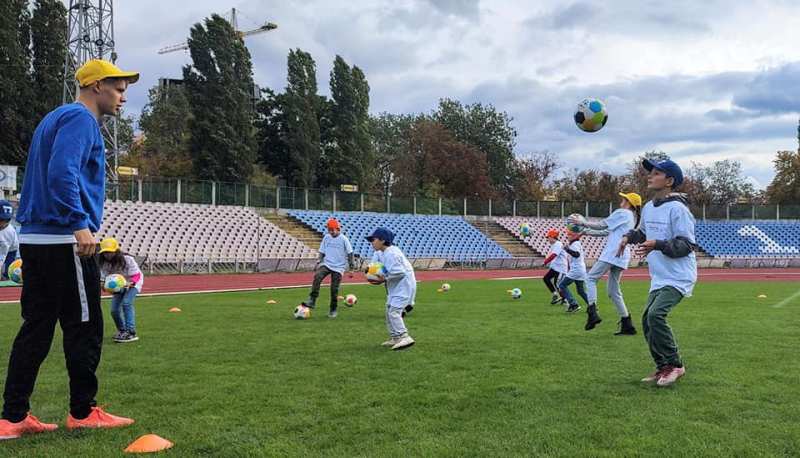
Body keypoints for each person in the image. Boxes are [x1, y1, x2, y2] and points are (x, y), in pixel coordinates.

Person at [0, 59, 138, 440]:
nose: (123, 97)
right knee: (86, 326)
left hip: (37, 239)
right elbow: (62, 172)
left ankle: (12, 418)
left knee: (36, 328)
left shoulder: (54, 118)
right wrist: (79, 225)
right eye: (118, 89)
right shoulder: (81, 121)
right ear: (96, 86)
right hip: (65, 241)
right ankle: (83, 411)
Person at [618, 159, 697, 387]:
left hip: (679, 276)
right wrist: (628, 237)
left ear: (669, 181)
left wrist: (659, 244)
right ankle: (663, 366)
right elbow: (642, 233)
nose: (650, 176)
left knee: (655, 316)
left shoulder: (679, 210)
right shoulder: (650, 207)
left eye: (656, 173)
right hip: (660, 276)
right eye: (650, 173)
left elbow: (685, 246)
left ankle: (676, 365)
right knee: (646, 320)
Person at [569, 192, 642, 334]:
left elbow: (602, 225)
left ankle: (592, 313)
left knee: (591, 278)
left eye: (624, 198)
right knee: (613, 291)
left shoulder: (622, 212)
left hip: (612, 253)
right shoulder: (631, 217)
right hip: (622, 256)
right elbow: (606, 231)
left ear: (628, 202)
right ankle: (627, 324)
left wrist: (581, 223)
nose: (622, 199)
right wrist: (585, 231)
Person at [366, 227, 416, 350]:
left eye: (373, 239)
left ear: (382, 240)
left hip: (403, 287)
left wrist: (384, 278)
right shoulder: (383, 252)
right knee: (389, 311)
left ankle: (405, 337)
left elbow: (400, 273)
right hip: (395, 288)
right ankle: (395, 337)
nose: (371, 242)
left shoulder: (392, 253)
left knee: (394, 312)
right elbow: (375, 267)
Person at [301, 218, 355, 318]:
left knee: (334, 289)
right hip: (327, 264)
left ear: (338, 229)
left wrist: (351, 269)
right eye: (329, 230)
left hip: (339, 268)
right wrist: (319, 260)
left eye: (333, 230)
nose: (331, 232)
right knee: (317, 276)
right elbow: (322, 250)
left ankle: (333, 309)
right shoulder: (326, 237)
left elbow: (350, 253)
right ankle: (312, 300)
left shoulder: (344, 239)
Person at [98, 237, 144, 343]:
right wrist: (104, 286)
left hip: (133, 283)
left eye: (110, 252)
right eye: (105, 252)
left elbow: (136, 275)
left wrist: (129, 283)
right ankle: (122, 330)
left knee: (127, 303)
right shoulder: (104, 264)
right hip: (118, 286)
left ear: (116, 251)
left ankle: (131, 332)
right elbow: (103, 280)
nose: (107, 255)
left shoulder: (128, 259)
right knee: (114, 310)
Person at [557, 229, 589, 313]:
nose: (567, 236)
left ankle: (573, 304)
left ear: (573, 236)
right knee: (581, 291)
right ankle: (592, 306)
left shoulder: (574, 244)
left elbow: (576, 254)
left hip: (576, 269)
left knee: (562, 285)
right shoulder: (575, 243)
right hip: (581, 269)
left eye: (569, 235)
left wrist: (567, 249)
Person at [541, 228, 567, 305]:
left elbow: (554, 255)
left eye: (548, 237)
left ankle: (565, 299)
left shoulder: (558, 244)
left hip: (560, 268)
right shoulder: (554, 245)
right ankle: (555, 294)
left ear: (552, 237)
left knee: (558, 284)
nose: (548, 239)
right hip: (555, 267)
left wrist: (545, 262)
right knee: (546, 279)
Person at [0, 201, 19, 281]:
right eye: (1, 219)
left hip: (10, 249)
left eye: (7, 220)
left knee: (8, 270)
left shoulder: (8, 232)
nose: (3, 224)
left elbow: (2, 254)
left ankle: (6, 277)